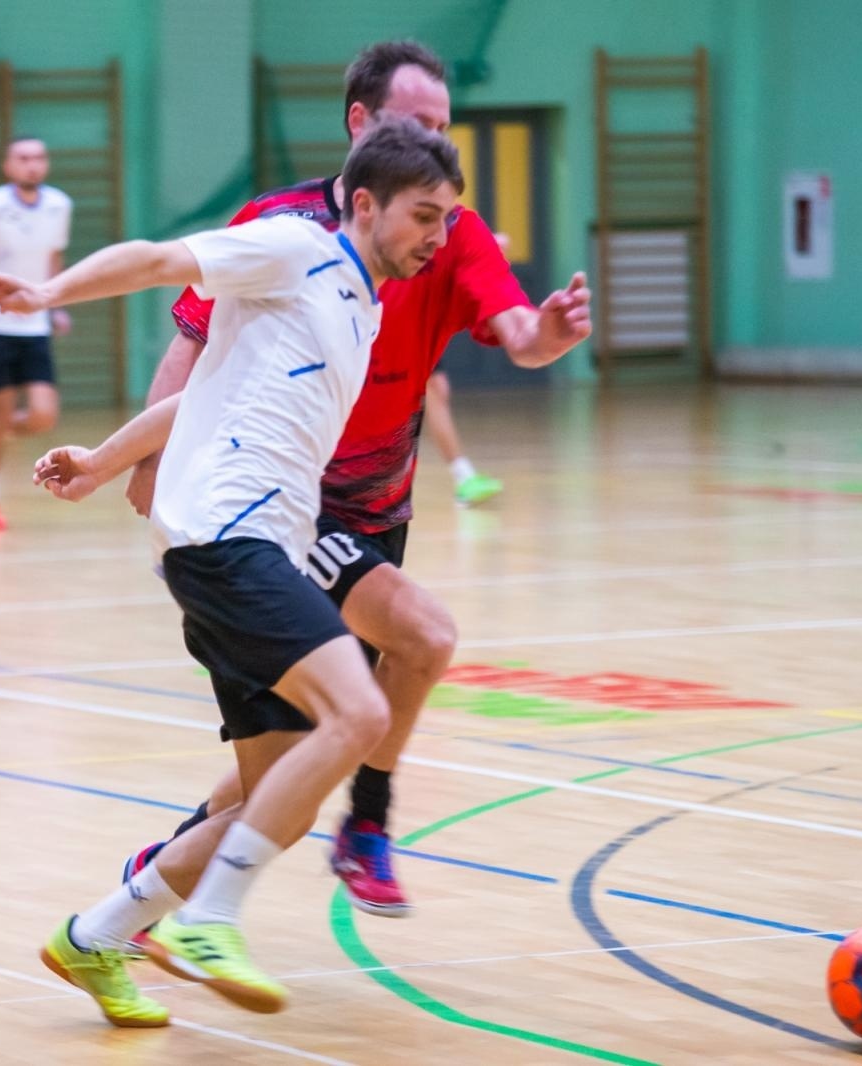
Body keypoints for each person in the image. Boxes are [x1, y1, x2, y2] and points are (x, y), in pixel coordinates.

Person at [0, 118, 466, 1026]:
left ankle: (97, 934)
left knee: (268, 795)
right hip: (226, 539)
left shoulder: (361, 306)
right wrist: (43, 291)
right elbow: (157, 259)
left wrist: (105, 458)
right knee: (359, 711)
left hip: (253, 545)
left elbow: (212, 393)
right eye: (424, 215)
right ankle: (212, 921)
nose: (438, 236)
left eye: (447, 218)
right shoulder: (293, 251)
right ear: (364, 203)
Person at [121, 40, 591, 919]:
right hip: (284, 508)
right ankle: (364, 827)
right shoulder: (283, 226)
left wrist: (550, 336)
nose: (437, 145)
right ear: (360, 126)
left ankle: (158, 878)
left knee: (300, 744)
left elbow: (520, 333)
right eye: (418, 125)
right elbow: (194, 339)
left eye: (446, 128)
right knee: (420, 638)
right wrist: (147, 458)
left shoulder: (450, 232)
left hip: (381, 507)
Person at [0, 136, 74, 531]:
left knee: (42, 416)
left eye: (38, 158)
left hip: (34, 324)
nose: (32, 165)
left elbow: (53, 260)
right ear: (8, 166)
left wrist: (54, 303)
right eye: (23, 158)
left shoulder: (59, 205)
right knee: (1, 410)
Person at [421, 230, 516, 506]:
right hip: (383, 317)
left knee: (436, 389)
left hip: (420, 323)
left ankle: (463, 476)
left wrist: (485, 251)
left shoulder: (448, 227)